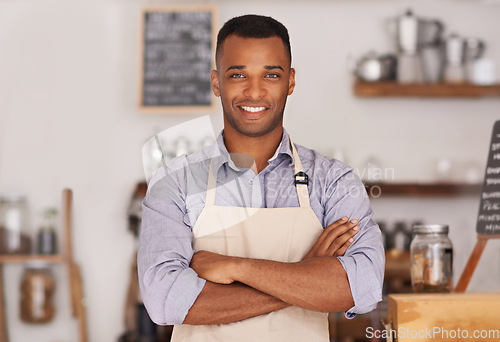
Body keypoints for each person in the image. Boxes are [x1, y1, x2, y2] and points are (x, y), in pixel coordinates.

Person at [138, 14, 384, 342]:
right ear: (216, 82)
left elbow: (361, 285)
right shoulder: (175, 182)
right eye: (238, 74)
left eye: (271, 74)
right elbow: (164, 299)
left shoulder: (333, 181)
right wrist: (305, 274)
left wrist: (236, 268)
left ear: (291, 81)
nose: (254, 92)